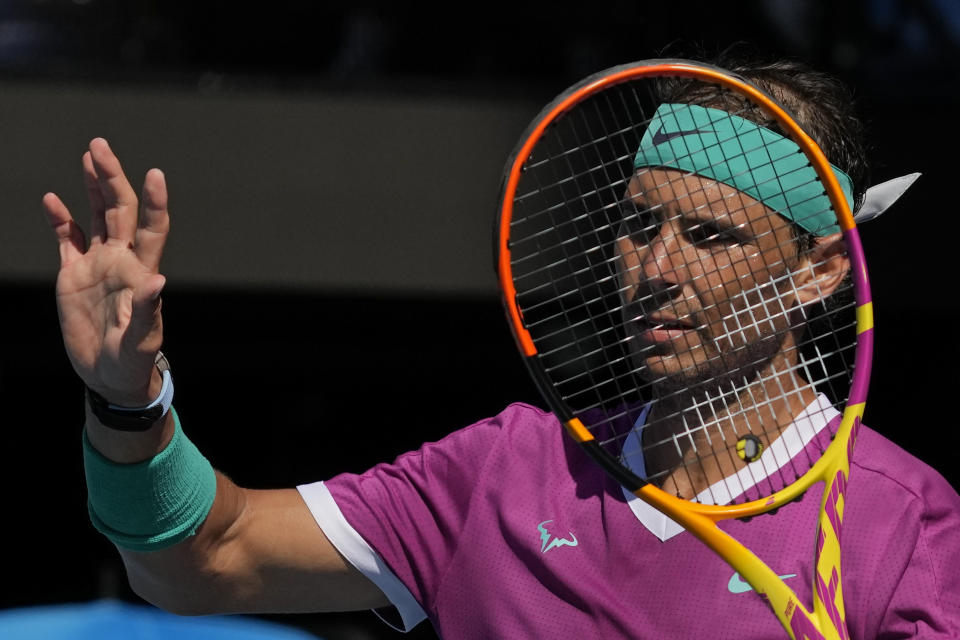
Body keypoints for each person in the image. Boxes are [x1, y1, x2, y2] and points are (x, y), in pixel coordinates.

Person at [45, 53, 960, 639]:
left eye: (711, 238)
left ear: (819, 271)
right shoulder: (503, 472)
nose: (657, 268)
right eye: (639, 226)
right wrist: (128, 397)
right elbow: (204, 558)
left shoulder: (907, 523)